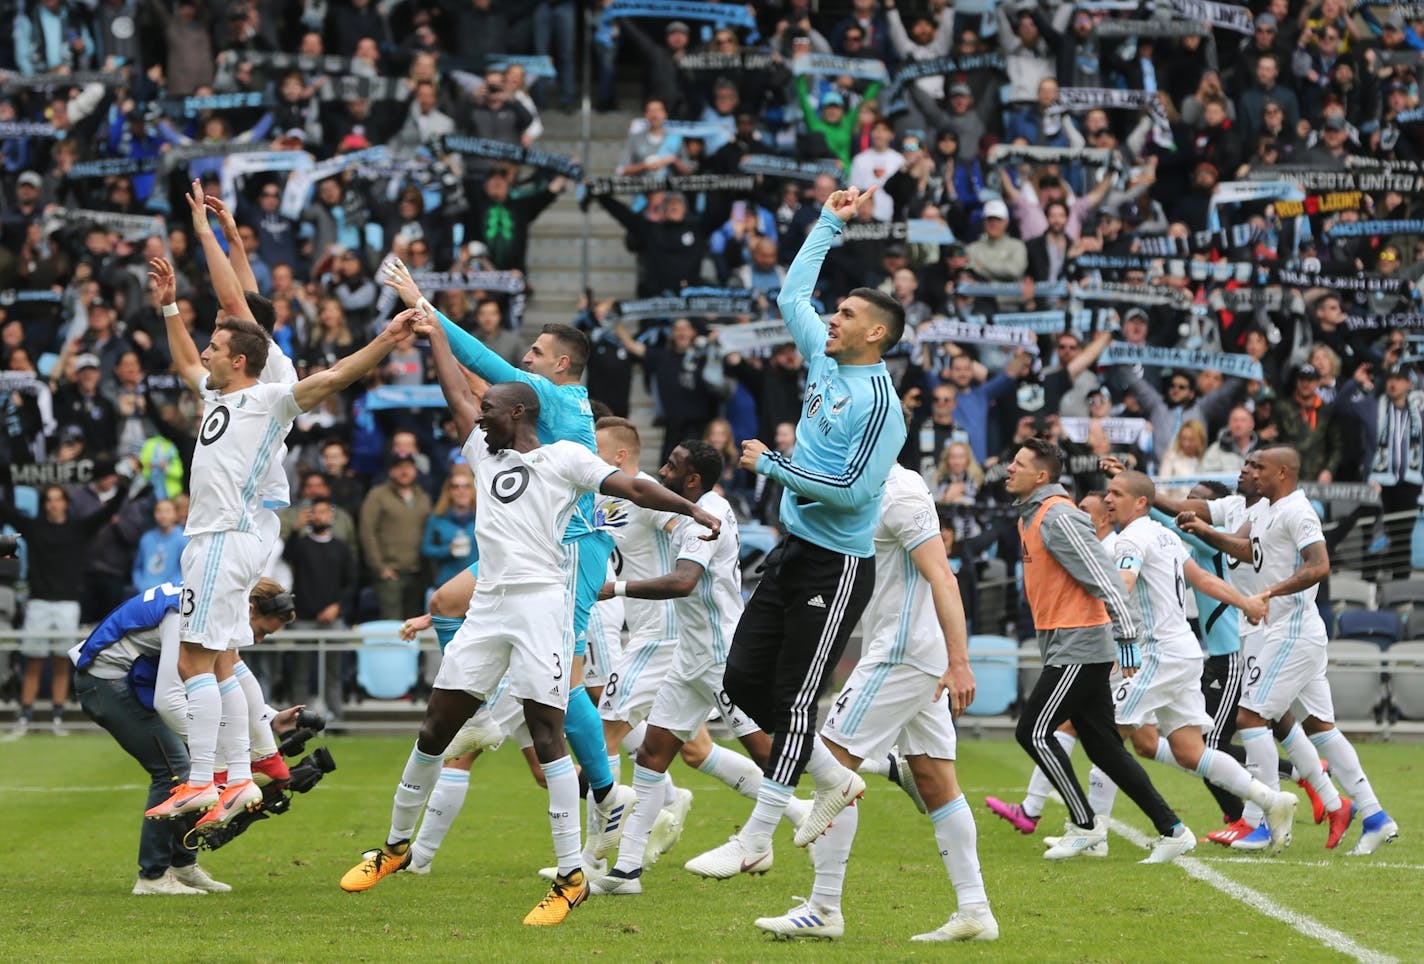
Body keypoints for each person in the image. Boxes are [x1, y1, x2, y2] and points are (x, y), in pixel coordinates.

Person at [336, 378, 721, 927]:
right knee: (433, 730)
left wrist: (693, 511)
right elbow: (456, 398)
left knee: (547, 735)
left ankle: (571, 877)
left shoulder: (565, 457)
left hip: (543, 605)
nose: (478, 418)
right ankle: (396, 847)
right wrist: (429, 326)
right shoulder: (483, 453)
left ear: (518, 411)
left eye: (489, 409)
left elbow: (633, 488)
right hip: (489, 606)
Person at [142, 248, 419, 831]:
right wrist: (168, 306)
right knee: (218, 659)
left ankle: (201, 781)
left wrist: (389, 337)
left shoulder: (270, 400)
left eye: (217, 345)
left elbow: (339, 374)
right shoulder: (219, 396)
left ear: (240, 359)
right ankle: (239, 778)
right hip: (211, 539)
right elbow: (187, 361)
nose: (208, 348)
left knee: (193, 659)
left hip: (225, 537)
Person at [683, 185, 908, 884]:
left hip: (837, 565)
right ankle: (834, 777)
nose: (830, 319)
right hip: (792, 550)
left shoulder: (879, 405)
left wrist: (775, 465)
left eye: (846, 315)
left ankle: (756, 836)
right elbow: (789, 299)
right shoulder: (826, 360)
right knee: (743, 681)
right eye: (835, 312)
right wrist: (830, 222)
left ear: (876, 333)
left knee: (796, 698)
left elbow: (854, 493)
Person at [382, 258, 630, 864]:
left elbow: (489, 370)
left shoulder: (557, 395)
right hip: (538, 544)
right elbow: (480, 394)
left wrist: (429, 309)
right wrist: (438, 341)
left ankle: (605, 795)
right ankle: (487, 709)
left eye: (538, 353)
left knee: (563, 681)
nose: (527, 360)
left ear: (561, 364)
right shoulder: (538, 412)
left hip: (565, 549)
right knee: (445, 603)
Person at [757, 464, 995, 942]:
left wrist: (961, 661)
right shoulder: (861, 484)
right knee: (935, 779)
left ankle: (823, 908)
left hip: (902, 653)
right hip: (906, 650)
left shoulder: (901, 492)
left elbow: (944, 579)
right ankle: (975, 911)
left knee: (832, 764)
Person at [592, 439, 810, 895]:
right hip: (689, 659)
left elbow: (683, 581)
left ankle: (817, 804)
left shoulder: (701, 522)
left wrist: (617, 588)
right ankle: (626, 870)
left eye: (671, 466)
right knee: (653, 755)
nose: (662, 470)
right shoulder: (698, 506)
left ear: (692, 478)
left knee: (770, 753)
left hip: (720, 658)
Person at [1184, 447, 1398, 855]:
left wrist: (1271, 590)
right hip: (1281, 630)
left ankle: (1262, 821)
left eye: (1259, 468)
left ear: (1282, 472)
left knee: (1250, 716)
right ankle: (1373, 816)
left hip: (1290, 629)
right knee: (1320, 728)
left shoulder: (1298, 511)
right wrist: (1205, 530)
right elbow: (1250, 552)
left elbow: (1319, 565)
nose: (1250, 473)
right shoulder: (1265, 509)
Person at [1003, 437, 1195, 862]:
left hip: (1081, 644)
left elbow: (1104, 578)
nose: (1007, 469)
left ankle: (1085, 824)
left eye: (1017, 464)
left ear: (1040, 476)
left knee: (1032, 731)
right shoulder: (1032, 517)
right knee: (1104, 747)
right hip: (1066, 644)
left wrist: (1126, 637)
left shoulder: (1059, 517)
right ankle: (1173, 829)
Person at [1087, 471, 1294, 855]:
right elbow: (1201, 579)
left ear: (1141, 502)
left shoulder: (1131, 538)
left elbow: (1124, 585)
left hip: (1156, 653)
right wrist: (1245, 602)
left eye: (1117, 493)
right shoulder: (1164, 536)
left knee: (1106, 735)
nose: (1109, 499)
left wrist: (1108, 630)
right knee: (1189, 752)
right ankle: (1271, 800)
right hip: (1183, 652)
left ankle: (1092, 833)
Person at [69, 579, 297, 895]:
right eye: (261, 631)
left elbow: (234, 675)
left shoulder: (213, 602)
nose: (257, 639)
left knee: (191, 770)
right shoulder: (190, 611)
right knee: (176, 770)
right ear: (252, 608)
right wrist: (218, 745)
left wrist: (270, 718)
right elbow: (168, 697)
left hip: (124, 680)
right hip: (106, 681)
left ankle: (182, 866)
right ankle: (152, 877)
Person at [0, 483, 123, 737]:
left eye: (58, 499)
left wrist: (125, 485)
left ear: (66, 503)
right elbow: (7, 511)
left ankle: (57, 717)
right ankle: (26, 717)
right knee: (33, 662)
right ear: (46, 504)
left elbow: (108, 510)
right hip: (39, 603)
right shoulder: (34, 528)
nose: (54, 504)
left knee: (60, 663)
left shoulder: (78, 528)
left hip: (68, 603)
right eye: (50, 500)